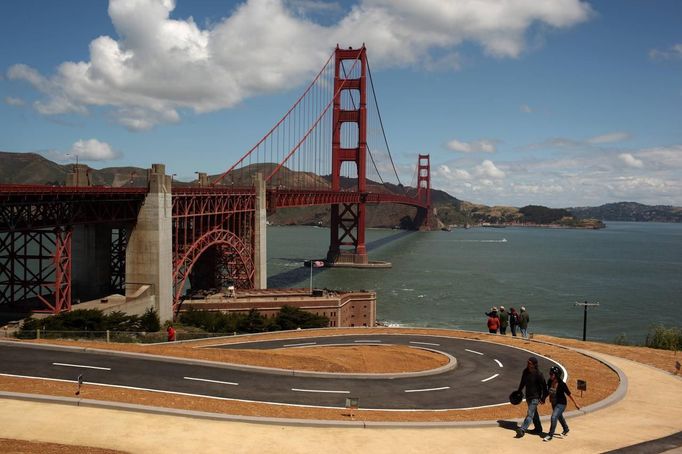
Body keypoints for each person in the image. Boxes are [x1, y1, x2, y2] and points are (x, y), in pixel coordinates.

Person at [543, 365, 580, 442]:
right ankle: (566, 429)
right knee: (559, 416)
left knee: (554, 417)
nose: (550, 375)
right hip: (553, 403)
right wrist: (543, 399)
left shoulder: (562, 384)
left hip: (561, 403)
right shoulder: (549, 381)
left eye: (551, 374)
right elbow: (548, 391)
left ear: (556, 375)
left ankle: (550, 435)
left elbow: (569, 394)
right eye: (550, 373)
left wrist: (576, 403)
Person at [515, 356, 548, 438]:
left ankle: (522, 429)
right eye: (528, 362)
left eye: (529, 363)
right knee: (534, 413)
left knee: (530, 413)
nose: (528, 364)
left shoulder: (539, 374)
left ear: (534, 365)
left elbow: (544, 387)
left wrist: (543, 398)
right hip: (528, 396)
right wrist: (519, 391)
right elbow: (522, 383)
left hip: (535, 397)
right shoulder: (525, 372)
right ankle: (538, 429)